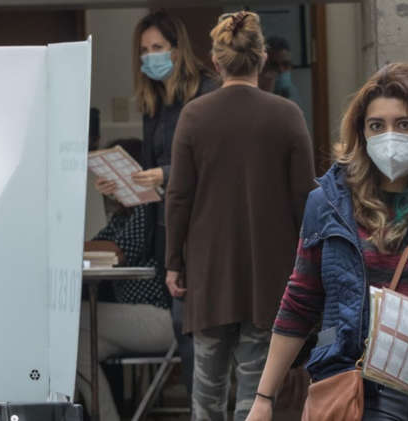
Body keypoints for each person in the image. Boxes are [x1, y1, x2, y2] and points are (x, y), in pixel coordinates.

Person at [246, 63, 408, 421]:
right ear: (362, 133)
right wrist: (264, 398)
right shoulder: (328, 204)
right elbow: (300, 301)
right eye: (377, 126)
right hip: (358, 393)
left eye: (404, 124)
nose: (390, 137)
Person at [164, 11, 315, 421]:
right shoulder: (287, 115)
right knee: (257, 395)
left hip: (210, 275)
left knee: (207, 396)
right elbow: (306, 197)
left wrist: (174, 263)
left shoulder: (193, 117)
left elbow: (178, 197)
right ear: (262, 58)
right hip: (271, 276)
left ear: (216, 63)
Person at [94, 10, 219, 399]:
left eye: (158, 48)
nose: (150, 57)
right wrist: (120, 186)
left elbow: (211, 162)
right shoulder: (153, 103)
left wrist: (163, 174)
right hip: (165, 233)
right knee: (183, 331)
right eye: (144, 50)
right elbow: (150, 174)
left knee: (197, 333)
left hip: (202, 231)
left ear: (178, 50)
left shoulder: (207, 93)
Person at [77, 138, 174, 421]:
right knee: (76, 349)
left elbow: (118, 252)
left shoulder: (149, 208)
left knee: (69, 319)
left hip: (156, 316)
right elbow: (97, 247)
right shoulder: (123, 216)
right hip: (132, 320)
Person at [259, 36, 301, 108]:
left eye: (285, 64)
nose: (281, 70)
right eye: (274, 65)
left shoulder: (292, 93)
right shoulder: (252, 93)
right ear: (263, 67)